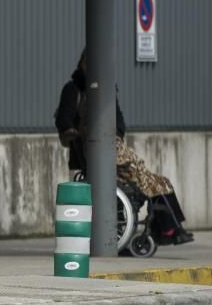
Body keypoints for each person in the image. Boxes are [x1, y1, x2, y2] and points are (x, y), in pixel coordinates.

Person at [55, 50, 194, 245]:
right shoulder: (73, 90)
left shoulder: (107, 91)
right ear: (83, 64)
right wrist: (77, 136)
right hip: (88, 154)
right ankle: (169, 230)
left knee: (159, 182)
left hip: (113, 152)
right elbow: (64, 120)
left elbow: (119, 122)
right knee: (153, 183)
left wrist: (114, 140)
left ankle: (170, 229)